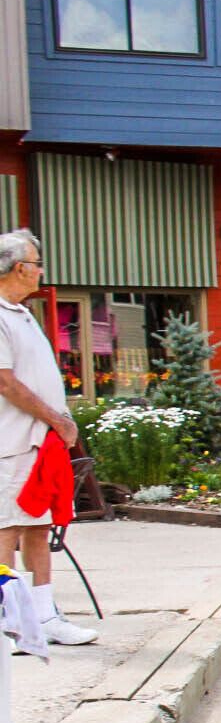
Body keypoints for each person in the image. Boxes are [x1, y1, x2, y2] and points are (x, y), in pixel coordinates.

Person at [0, 229, 96, 646]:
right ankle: (9, 622)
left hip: (39, 442)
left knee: (38, 526)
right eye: (37, 263)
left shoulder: (20, 313)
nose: (41, 271)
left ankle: (43, 615)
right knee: (6, 529)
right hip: (12, 442)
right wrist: (57, 419)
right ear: (20, 267)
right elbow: (4, 382)